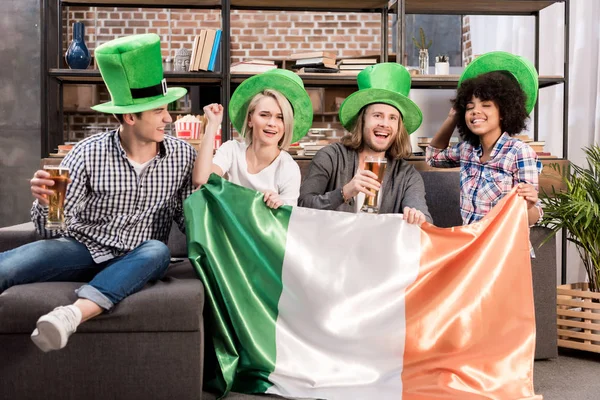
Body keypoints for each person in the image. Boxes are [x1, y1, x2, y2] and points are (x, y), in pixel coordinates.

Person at [0, 34, 196, 352]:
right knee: (8, 266)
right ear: (131, 117)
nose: (169, 118)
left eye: (167, 109)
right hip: (83, 248)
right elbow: (52, 229)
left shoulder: (183, 156)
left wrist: (211, 196)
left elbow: (190, 226)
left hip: (139, 256)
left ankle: (72, 314)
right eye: (159, 111)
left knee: (157, 251)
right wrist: (48, 202)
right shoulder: (86, 153)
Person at [298, 63, 431, 225]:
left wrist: (417, 217)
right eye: (377, 115)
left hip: (380, 248)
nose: (385, 124)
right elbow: (302, 206)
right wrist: (344, 193)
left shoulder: (406, 174)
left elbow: (426, 220)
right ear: (362, 120)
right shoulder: (330, 157)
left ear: (398, 127)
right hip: (333, 246)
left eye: (392, 118)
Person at [425, 51, 542, 230]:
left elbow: (532, 219)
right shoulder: (467, 150)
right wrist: (452, 118)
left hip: (502, 250)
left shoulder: (519, 152)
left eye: (486, 105)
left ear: (504, 112)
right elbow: (432, 157)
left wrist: (530, 204)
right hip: (471, 246)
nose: (475, 111)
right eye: (470, 107)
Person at [193, 69, 313, 208]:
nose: (272, 123)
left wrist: (281, 204)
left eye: (280, 117)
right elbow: (201, 180)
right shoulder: (232, 150)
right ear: (250, 119)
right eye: (264, 115)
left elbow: (289, 221)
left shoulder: (288, 168)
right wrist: (212, 124)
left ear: (286, 125)